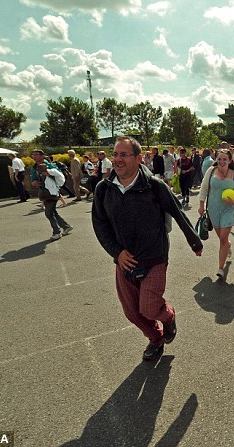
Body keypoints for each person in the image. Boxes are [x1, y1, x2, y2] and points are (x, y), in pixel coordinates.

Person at [91, 136, 203, 362]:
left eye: (124, 154)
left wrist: (194, 241)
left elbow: (177, 212)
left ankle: (168, 317)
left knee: (150, 308)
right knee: (132, 313)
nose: (118, 159)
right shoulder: (104, 189)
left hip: (154, 257)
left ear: (139, 158)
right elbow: (99, 224)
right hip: (124, 261)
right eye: (115, 154)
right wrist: (116, 252)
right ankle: (155, 338)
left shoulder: (154, 186)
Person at [198, 149, 234, 279]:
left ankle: (220, 268)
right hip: (213, 209)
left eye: (225, 159)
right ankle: (228, 245)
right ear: (216, 159)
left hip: (229, 210)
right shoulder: (211, 171)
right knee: (222, 239)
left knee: (223, 238)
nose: (222, 162)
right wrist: (201, 206)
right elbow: (203, 189)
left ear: (230, 161)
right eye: (219, 159)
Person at [30, 149, 73, 241]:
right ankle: (66, 226)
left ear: (42, 156)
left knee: (49, 213)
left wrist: (49, 173)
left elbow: (59, 175)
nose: (34, 156)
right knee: (53, 212)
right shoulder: (34, 167)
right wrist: (33, 182)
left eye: (37, 154)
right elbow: (33, 178)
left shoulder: (49, 165)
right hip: (43, 192)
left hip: (52, 192)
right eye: (33, 155)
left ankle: (56, 232)